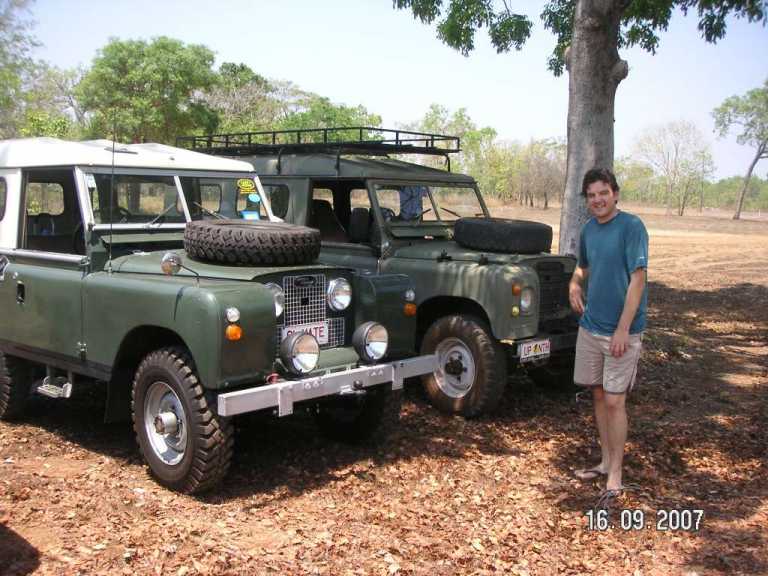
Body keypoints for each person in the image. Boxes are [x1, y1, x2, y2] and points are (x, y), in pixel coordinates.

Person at [568, 167, 648, 504]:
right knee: (599, 395)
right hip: (591, 327)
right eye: (592, 195)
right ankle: (603, 461)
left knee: (616, 401)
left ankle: (616, 473)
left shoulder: (632, 227)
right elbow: (584, 265)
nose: (598, 200)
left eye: (603, 193)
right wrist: (574, 281)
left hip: (621, 331)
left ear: (615, 193)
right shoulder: (588, 230)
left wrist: (623, 329)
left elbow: (638, 279)